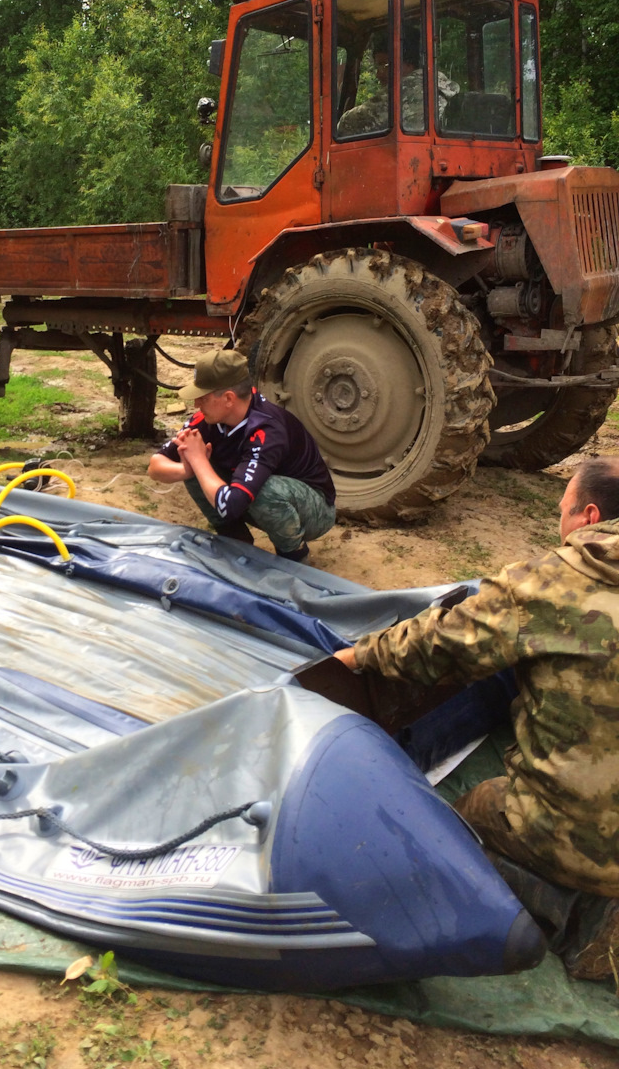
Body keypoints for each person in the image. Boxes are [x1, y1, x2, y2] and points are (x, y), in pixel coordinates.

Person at [332, 456, 619, 976]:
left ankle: (566, 908)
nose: (559, 523)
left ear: (590, 517)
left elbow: (437, 645)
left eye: (563, 511)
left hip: (574, 833)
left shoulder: (551, 586)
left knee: (464, 817)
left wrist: (357, 656)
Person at [147, 348, 336, 562]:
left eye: (203, 398)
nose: (196, 405)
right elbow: (155, 466)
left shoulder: (266, 430)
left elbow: (231, 505)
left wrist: (199, 461)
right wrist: (188, 468)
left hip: (314, 509)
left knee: (265, 491)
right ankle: (236, 542)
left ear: (228, 398)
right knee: (194, 462)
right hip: (249, 497)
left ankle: (293, 557)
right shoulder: (207, 419)